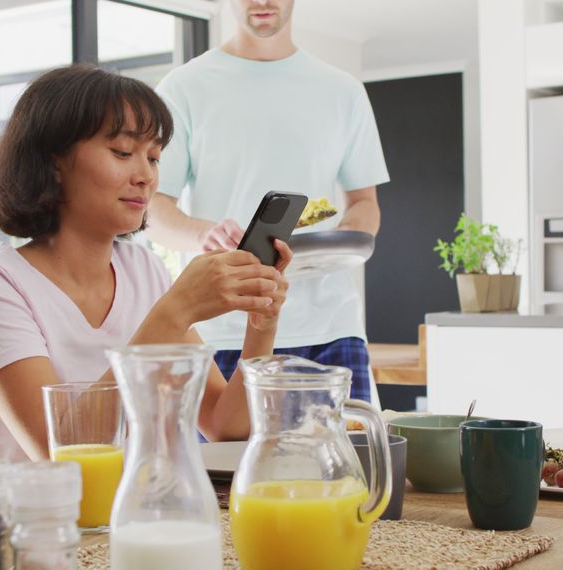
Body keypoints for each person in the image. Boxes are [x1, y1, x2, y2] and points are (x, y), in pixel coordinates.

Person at [0, 64, 292, 463]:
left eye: (153, 158)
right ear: (54, 160)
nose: (146, 176)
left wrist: (261, 325)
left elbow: (223, 426)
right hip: (26, 517)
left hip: (130, 514)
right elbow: (59, 451)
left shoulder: (143, 270)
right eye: (123, 153)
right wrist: (177, 309)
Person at [147, 0, 389, 402]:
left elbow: (365, 202)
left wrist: (345, 237)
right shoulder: (183, 86)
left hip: (330, 325)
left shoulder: (343, 90)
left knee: (351, 463)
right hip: (223, 329)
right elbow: (154, 211)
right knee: (227, 466)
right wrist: (205, 235)